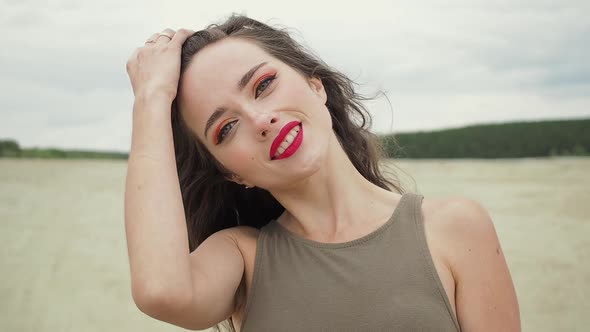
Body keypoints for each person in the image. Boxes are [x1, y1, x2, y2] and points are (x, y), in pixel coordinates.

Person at [124, 14, 521, 332]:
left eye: (263, 85)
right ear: (230, 174)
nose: (261, 119)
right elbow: (162, 291)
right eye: (225, 129)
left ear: (316, 86)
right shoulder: (243, 259)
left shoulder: (455, 227)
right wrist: (151, 98)